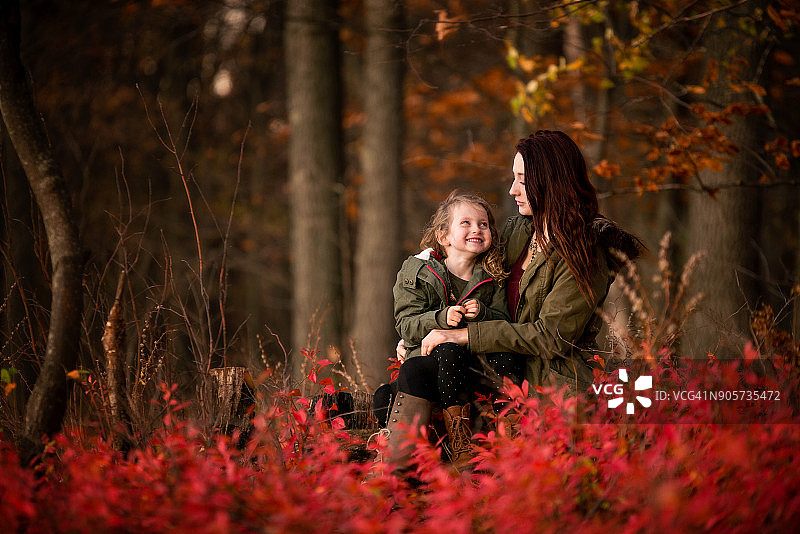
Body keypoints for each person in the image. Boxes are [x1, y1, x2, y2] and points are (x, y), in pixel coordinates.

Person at [419, 130, 644, 395]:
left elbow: (551, 337)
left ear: (552, 183)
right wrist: (421, 335)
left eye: (523, 181)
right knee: (404, 384)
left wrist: (464, 336)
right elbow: (475, 289)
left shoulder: (585, 251)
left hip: (551, 390)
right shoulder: (518, 231)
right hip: (498, 369)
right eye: (514, 178)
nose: (512, 190)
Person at [373, 191, 522, 472]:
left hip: (476, 367)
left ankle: (510, 441)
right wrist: (440, 318)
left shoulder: (492, 278)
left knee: (503, 354)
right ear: (443, 235)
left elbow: (504, 322)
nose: (477, 229)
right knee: (388, 394)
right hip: (433, 365)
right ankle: (444, 451)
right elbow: (406, 325)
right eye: (466, 223)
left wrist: (484, 313)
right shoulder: (419, 273)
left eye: (483, 224)